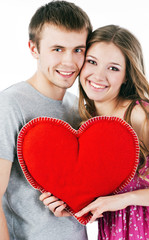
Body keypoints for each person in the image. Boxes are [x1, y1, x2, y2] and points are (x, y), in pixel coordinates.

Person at [41, 25, 149, 239]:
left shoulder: (140, 114)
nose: (98, 75)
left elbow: (118, 200)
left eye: (113, 68)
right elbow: (101, 200)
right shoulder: (86, 128)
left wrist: (124, 200)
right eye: (92, 62)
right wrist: (74, 209)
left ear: (126, 76)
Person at [0, 1, 92, 239]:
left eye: (78, 49)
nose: (69, 62)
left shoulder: (77, 108)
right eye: (57, 49)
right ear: (34, 49)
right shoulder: (10, 104)